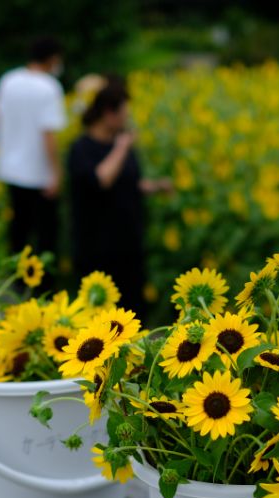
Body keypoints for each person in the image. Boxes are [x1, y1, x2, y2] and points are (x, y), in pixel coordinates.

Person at [68, 77, 171, 318]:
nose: (127, 119)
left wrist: (155, 186)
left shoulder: (120, 144)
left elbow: (130, 184)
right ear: (108, 113)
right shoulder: (81, 149)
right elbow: (100, 180)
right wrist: (122, 147)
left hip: (129, 244)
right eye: (124, 113)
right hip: (97, 248)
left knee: (134, 312)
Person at [0, 37, 67, 268]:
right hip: (38, 173)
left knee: (18, 227)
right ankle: (43, 287)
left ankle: (14, 278)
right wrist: (56, 173)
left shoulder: (8, 80)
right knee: (45, 235)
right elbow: (49, 134)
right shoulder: (49, 87)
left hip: (10, 169)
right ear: (53, 59)